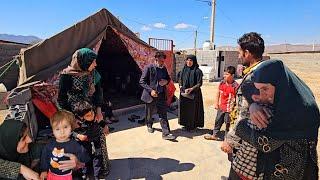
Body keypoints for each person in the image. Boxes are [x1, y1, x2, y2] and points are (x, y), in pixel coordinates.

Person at [233, 60, 320, 179]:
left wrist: (240, 127)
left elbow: (266, 144)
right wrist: (253, 105)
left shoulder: (297, 109)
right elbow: (246, 86)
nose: (262, 96)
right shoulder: (285, 94)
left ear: (279, 83)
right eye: (259, 90)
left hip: (294, 173)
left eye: (265, 89)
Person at [58, 47, 111, 177]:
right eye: (93, 61)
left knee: (99, 140)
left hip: (91, 112)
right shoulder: (66, 76)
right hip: (75, 115)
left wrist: (98, 110)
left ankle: (101, 168)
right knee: (81, 143)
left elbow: (98, 92)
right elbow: (62, 99)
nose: (95, 64)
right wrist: (71, 118)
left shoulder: (93, 73)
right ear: (84, 62)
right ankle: (83, 172)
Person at [220, 32, 266, 179]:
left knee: (239, 174)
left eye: (240, 52)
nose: (239, 56)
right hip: (255, 141)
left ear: (247, 53)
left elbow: (244, 114)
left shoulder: (254, 78)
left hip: (248, 143)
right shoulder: (263, 72)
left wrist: (230, 140)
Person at [40, 110, 90, 180]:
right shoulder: (50, 144)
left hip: (67, 176)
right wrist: (44, 170)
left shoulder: (74, 144)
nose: (62, 132)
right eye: (57, 129)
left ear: (71, 128)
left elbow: (84, 157)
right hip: (51, 174)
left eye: (65, 127)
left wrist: (80, 161)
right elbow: (44, 157)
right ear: (53, 131)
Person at [139, 51, 176, 140]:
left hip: (161, 95)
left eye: (163, 61)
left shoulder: (163, 68)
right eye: (161, 61)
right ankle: (149, 124)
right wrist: (151, 90)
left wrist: (166, 81)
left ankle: (166, 133)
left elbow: (168, 78)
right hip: (150, 95)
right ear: (156, 59)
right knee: (149, 113)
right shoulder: (149, 68)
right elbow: (142, 81)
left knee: (163, 114)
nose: (163, 63)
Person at [72, 101, 110, 179]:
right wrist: (78, 135)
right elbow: (70, 132)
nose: (92, 116)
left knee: (98, 157)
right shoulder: (78, 123)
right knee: (85, 158)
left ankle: (97, 175)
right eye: (88, 115)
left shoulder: (96, 117)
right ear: (82, 117)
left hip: (96, 140)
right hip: (84, 144)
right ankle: (85, 174)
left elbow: (101, 123)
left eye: (92, 113)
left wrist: (105, 126)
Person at [204, 66, 238, 140]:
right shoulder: (222, 83)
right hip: (221, 107)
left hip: (229, 110)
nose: (224, 76)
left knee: (228, 124)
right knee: (218, 121)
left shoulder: (236, 86)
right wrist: (216, 103)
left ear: (232, 75)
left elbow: (237, 98)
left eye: (227, 74)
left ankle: (227, 139)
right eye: (224, 74)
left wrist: (234, 108)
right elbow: (218, 93)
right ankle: (215, 135)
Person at [178, 55, 204, 131]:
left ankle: (192, 126)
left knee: (192, 110)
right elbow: (180, 79)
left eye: (191, 60)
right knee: (184, 109)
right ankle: (185, 124)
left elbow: (199, 83)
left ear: (194, 61)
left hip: (194, 94)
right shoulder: (183, 70)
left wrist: (191, 89)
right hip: (184, 93)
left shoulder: (198, 71)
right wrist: (181, 86)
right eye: (187, 60)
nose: (189, 62)